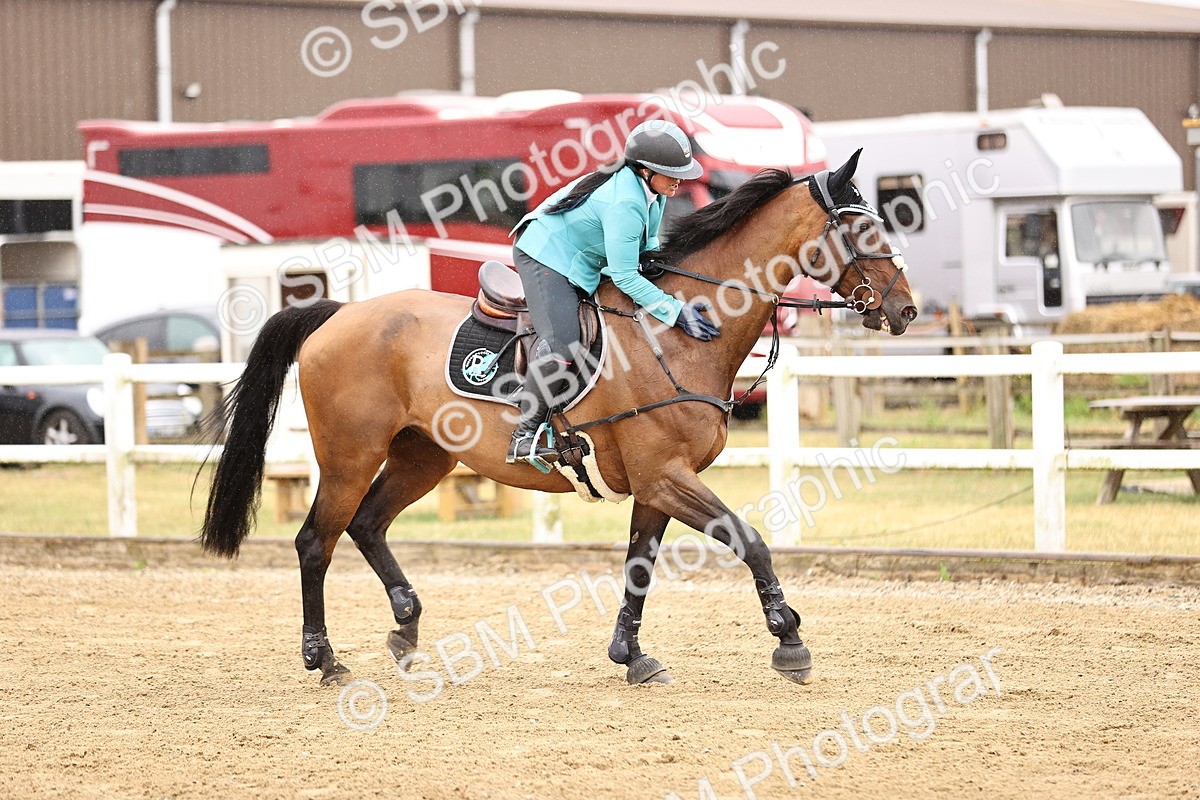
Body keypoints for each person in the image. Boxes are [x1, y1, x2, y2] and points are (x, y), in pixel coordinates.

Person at [505, 119, 721, 468]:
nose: (681, 178)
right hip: (544, 254)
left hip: (583, 260)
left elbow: (646, 250)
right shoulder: (626, 202)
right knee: (564, 341)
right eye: (672, 171)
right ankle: (524, 435)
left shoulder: (654, 192)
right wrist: (674, 312)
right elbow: (624, 276)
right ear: (645, 170)